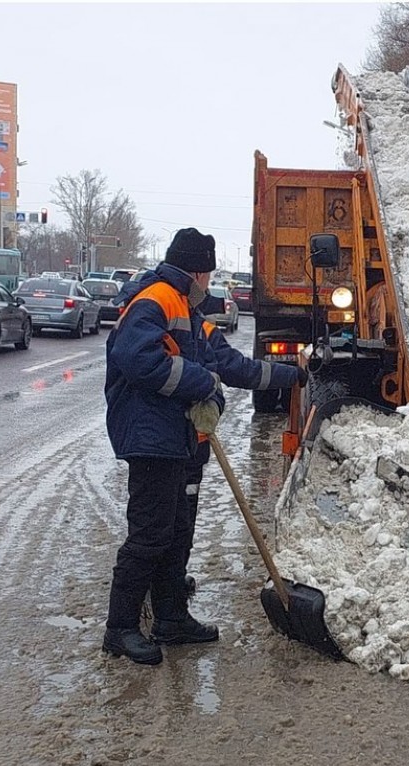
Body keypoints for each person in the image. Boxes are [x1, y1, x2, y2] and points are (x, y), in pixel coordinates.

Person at [102, 227, 227, 666]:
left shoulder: (184, 305)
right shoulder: (157, 298)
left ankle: (171, 619)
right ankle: (120, 628)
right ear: (197, 271)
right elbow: (138, 360)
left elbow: (201, 363)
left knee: (174, 531)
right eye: (208, 275)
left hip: (172, 435)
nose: (209, 283)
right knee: (150, 534)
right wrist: (200, 384)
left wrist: (211, 392)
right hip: (150, 436)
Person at [179, 294, 306, 599]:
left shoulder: (200, 327)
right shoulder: (162, 317)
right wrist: (204, 387)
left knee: (183, 515)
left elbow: (237, 367)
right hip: (166, 443)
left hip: (190, 443)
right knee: (159, 523)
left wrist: (290, 375)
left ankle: (171, 586)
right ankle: (137, 612)